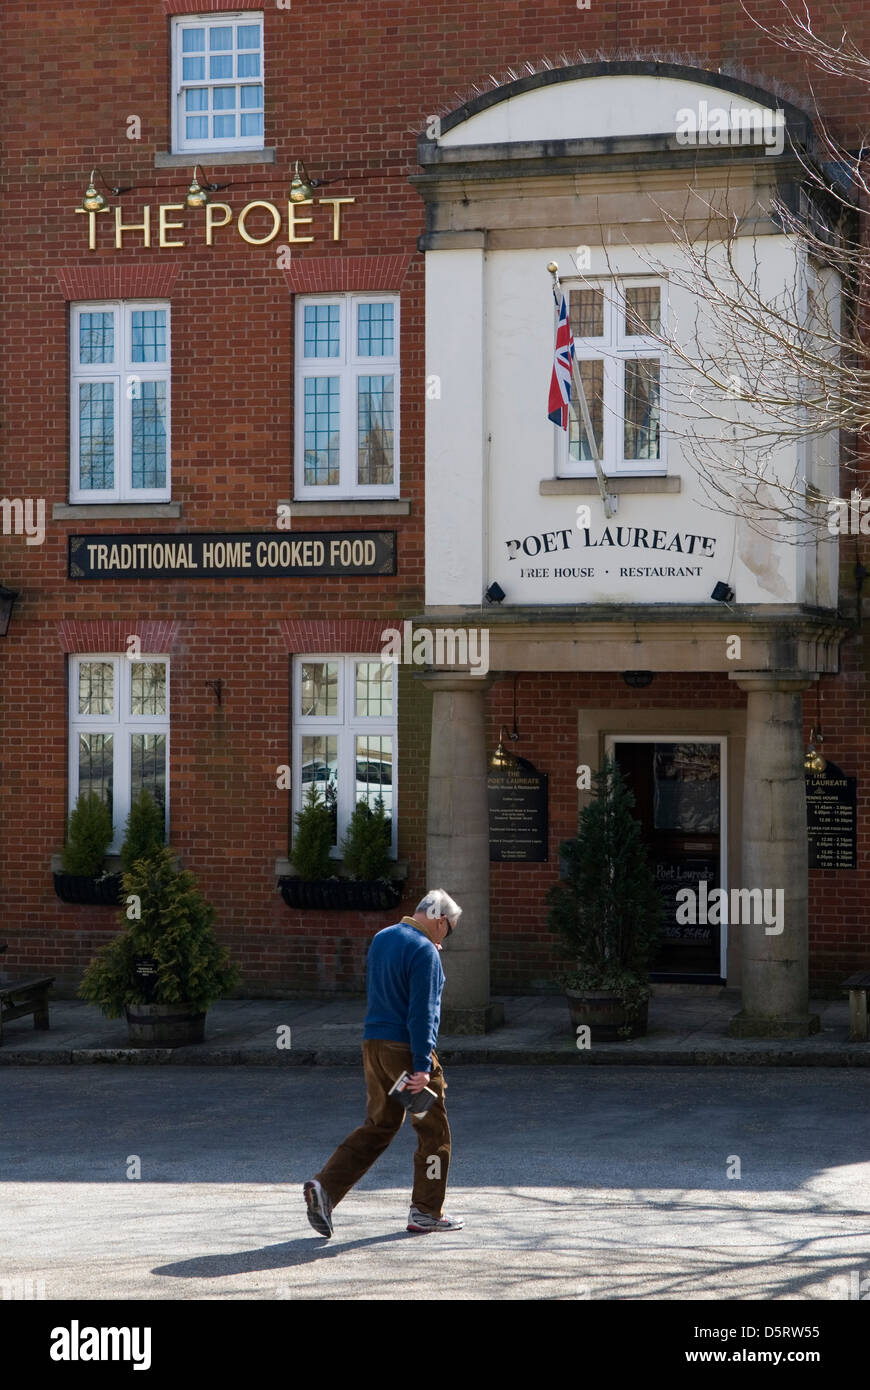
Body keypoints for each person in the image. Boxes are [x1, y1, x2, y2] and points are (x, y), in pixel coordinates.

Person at [304, 888, 464, 1236]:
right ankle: (426, 1211)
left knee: (379, 1125)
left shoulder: (383, 937)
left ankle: (325, 1187)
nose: (445, 938)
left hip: (374, 1047)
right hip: (406, 1052)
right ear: (439, 920)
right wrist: (422, 1066)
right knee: (433, 1132)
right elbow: (423, 1013)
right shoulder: (425, 951)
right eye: (447, 930)